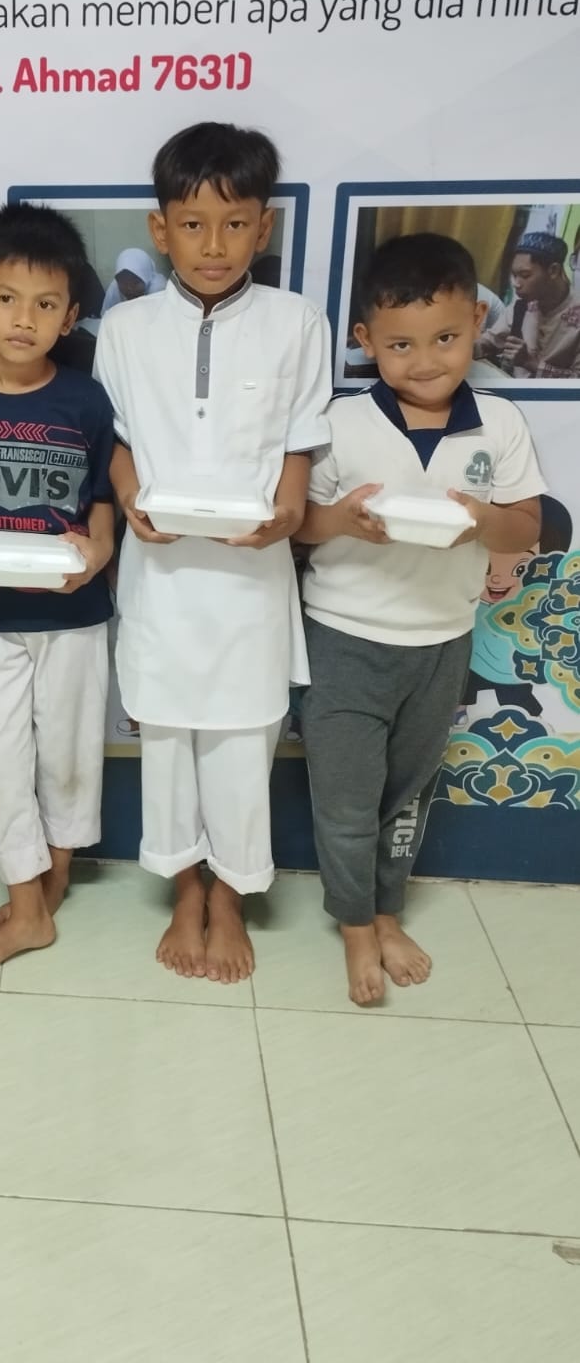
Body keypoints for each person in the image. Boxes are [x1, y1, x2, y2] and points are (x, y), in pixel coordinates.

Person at [94, 121, 331, 984]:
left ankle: (229, 895)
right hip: (160, 573)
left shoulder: (297, 321)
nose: (215, 245)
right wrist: (129, 501)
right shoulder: (126, 328)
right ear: (161, 230)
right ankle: (185, 888)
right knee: (167, 742)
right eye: (193, 225)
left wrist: (290, 509)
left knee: (241, 743)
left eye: (235, 224)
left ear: (264, 227)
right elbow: (117, 438)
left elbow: (300, 438)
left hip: (250, 576)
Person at [297, 234, 543, 1005]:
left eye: (445, 338)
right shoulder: (340, 422)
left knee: (405, 796)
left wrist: (481, 523)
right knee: (345, 799)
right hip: (342, 637)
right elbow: (300, 524)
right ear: (366, 340)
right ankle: (355, 925)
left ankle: (387, 911)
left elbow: (526, 525)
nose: (426, 361)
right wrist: (341, 520)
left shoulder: (498, 422)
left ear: (477, 323)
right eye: (401, 344)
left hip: (441, 642)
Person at [0, 204, 115, 975]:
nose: (24, 319)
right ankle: (27, 904)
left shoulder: (86, 401)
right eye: (7, 298)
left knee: (69, 756)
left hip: (74, 614)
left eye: (46, 305)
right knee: (0, 762)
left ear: (69, 316)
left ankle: (51, 882)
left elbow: (104, 497)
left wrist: (99, 551)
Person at [462, 495, 572, 719]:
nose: (496, 579)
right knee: (460, 697)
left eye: (520, 569)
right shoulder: (465, 602)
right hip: (469, 667)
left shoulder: (543, 608)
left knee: (521, 706)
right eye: (486, 566)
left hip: (513, 672)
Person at [475, 231, 580, 378]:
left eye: (525, 275)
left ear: (553, 270)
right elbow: (489, 342)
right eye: (514, 275)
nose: (516, 284)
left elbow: (577, 381)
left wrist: (529, 363)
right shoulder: (523, 305)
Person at [100, 247, 167, 315]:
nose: (129, 288)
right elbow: (105, 316)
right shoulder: (115, 288)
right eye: (124, 283)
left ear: (146, 278)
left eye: (135, 283)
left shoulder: (158, 290)